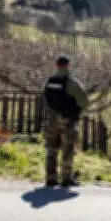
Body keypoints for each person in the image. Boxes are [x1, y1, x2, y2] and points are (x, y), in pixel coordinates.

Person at [42, 55, 89, 187]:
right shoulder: (71, 83)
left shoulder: (49, 82)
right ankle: (66, 178)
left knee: (51, 149)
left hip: (51, 120)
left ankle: (50, 178)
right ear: (68, 66)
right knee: (67, 149)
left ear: (56, 65)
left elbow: (45, 97)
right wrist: (75, 111)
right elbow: (84, 102)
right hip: (67, 120)